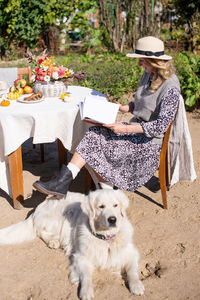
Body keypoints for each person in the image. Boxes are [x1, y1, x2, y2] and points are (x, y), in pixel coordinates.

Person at [33, 36, 181, 198]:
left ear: (154, 61)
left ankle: (101, 187)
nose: (139, 63)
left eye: (142, 60)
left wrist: (124, 128)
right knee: (93, 133)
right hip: (135, 131)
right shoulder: (149, 74)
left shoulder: (170, 86)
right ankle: (70, 181)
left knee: (95, 142)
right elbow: (145, 104)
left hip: (148, 144)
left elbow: (161, 125)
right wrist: (124, 107)